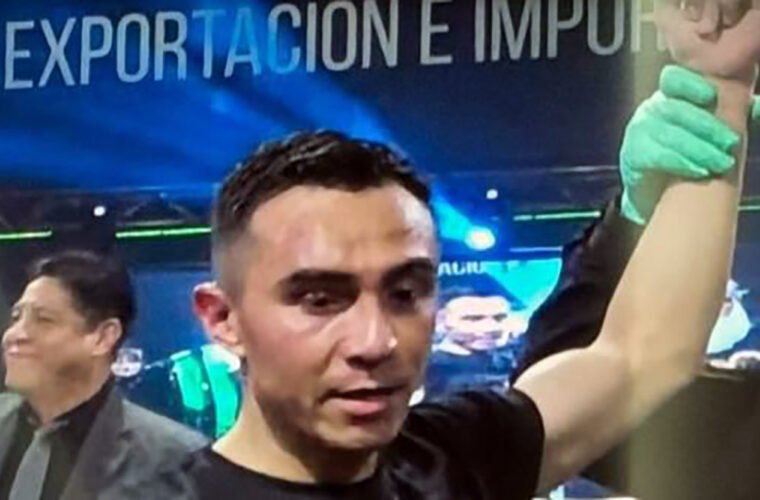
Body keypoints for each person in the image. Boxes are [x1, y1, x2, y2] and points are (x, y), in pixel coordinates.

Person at [173, 4, 759, 499]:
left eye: (406, 293)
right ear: (223, 319)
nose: (375, 341)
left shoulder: (452, 460)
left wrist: (723, 88)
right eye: (321, 300)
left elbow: (643, 354)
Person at [0, 250, 208, 500]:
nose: (15, 335)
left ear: (103, 337)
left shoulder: (179, 462)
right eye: (16, 317)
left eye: (44, 320)